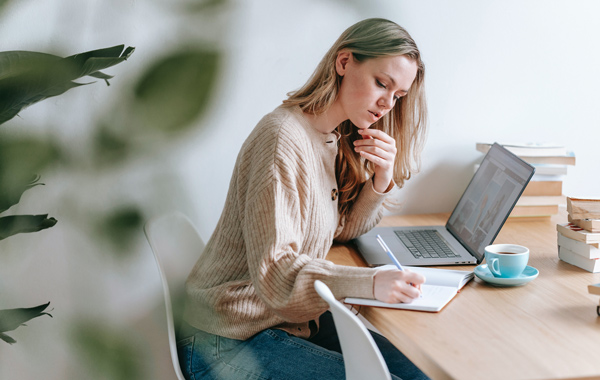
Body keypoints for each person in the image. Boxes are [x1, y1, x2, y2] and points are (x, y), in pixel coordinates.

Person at [179, 18, 430, 380]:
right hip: (224, 339)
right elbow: (276, 272)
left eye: (398, 95)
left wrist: (381, 179)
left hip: (284, 321)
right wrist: (371, 283)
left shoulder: (328, 137)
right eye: (381, 83)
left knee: (420, 375)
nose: (386, 104)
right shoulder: (282, 137)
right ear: (344, 62)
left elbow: (339, 231)